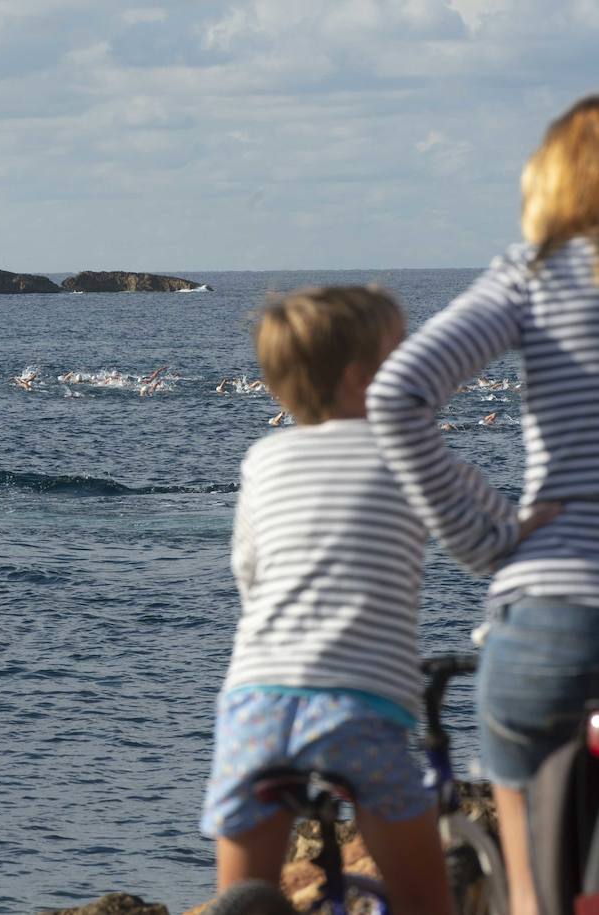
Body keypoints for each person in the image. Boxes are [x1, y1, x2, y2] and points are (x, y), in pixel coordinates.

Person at [367, 98, 598, 915]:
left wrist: (487, 537)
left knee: (531, 888)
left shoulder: (536, 274)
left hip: (552, 607)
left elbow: (397, 392)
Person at [202, 287, 452, 914]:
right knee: (426, 901)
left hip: (255, 701)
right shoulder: (409, 448)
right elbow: (482, 538)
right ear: (361, 377)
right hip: (358, 705)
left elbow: (248, 571)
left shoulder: (263, 458)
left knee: (242, 900)